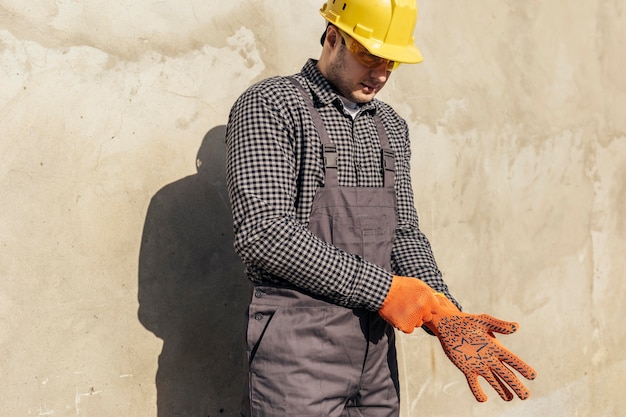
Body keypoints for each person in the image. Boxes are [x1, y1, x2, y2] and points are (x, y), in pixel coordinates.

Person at [225, 1, 536, 415]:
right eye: (369, 55)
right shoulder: (273, 105)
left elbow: (403, 233)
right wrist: (386, 290)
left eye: (391, 61)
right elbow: (265, 235)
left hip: (375, 358)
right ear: (332, 36)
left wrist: (442, 311)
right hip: (297, 356)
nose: (381, 73)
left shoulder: (389, 125)